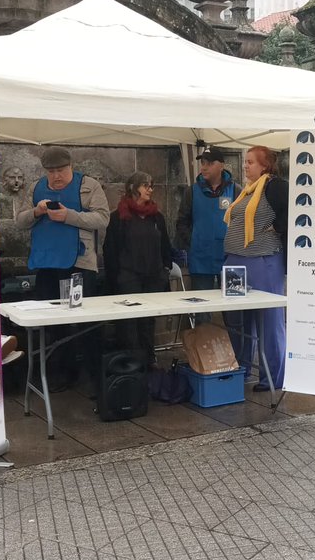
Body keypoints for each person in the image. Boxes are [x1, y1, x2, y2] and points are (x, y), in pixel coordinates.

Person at [15, 146, 110, 391]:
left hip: (78, 264)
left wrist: (69, 216)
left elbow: (102, 218)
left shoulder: (88, 186)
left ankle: (92, 377)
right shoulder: (36, 188)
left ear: (71, 167)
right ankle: (60, 373)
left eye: (61, 170)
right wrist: (37, 211)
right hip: (46, 264)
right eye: (51, 171)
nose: (56, 176)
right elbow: (20, 221)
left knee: (84, 322)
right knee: (52, 323)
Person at [223, 146, 288, 392]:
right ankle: (241, 368)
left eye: (250, 162)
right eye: (245, 161)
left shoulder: (275, 186)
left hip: (262, 260)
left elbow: (293, 210)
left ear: (265, 165)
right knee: (240, 320)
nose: (245, 166)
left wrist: (278, 227)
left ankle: (272, 377)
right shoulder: (247, 190)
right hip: (236, 261)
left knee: (269, 320)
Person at [104, 172, 174, 367]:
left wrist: (165, 269)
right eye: (145, 186)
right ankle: (131, 363)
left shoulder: (156, 217)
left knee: (148, 320)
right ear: (133, 188)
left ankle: (149, 360)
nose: (150, 190)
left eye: (151, 186)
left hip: (153, 275)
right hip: (128, 276)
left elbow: (165, 245)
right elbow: (110, 249)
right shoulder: (119, 217)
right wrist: (115, 277)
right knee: (129, 322)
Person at [177, 148, 242, 290]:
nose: (204, 167)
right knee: (202, 301)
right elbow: (182, 222)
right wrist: (193, 242)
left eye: (210, 163)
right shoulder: (191, 191)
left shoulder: (236, 190)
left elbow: (243, 223)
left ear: (221, 165)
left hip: (230, 258)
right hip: (200, 259)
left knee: (233, 300)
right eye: (203, 163)